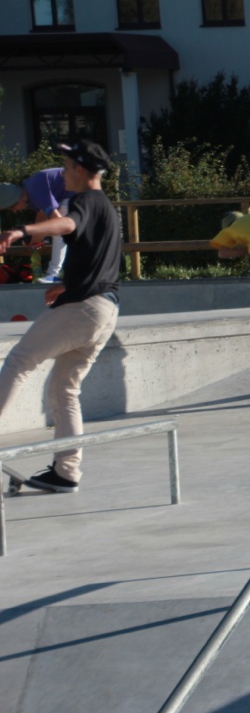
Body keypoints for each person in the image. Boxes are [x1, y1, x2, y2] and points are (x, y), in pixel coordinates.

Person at [0, 141, 122, 492]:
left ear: (81, 171)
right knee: (65, 390)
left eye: (67, 168)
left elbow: (67, 224)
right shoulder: (107, 208)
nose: (63, 174)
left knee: (20, 360)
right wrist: (66, 284)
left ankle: (66, 468)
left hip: (83, 309)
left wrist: (23, 230)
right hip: (105, 309)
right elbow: (99, 262)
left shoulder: (84, 201)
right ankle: (67, 471)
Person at [0, 167, 76, 283]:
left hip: (80, 191)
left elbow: (58, 222)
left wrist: (31, 236)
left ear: (16, 200)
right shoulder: (30, 192)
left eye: (11, 208)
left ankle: (54, 274)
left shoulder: (35, 193)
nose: (14, 211)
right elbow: (41, 221)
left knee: (59, 230)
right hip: (76, 192)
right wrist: (34, 242)